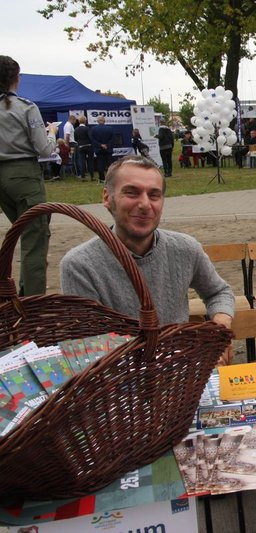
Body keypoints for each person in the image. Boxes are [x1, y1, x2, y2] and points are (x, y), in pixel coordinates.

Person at [60, 155, 235, 366]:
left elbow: (218, 292)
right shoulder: (80, 265)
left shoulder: (185, 248)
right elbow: (88, 346)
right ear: (107, 197)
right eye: (131, 193)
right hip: (118, 382)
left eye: (154, 195)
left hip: (180, 374)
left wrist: (220, 327)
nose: (145, 204)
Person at [0, 55, 57, 296]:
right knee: (35, 237)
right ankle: (33, 302)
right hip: (24, 175)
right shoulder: (26, 107)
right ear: (17, 78)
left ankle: (23, 293)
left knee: (21, 231)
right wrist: (52, 133)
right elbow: (44, 149)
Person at [90, 115, 114, 182]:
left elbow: (92, 139)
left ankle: (101, 178)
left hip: (98, 149)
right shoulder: (110, 128)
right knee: (109, 164)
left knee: (100, 164)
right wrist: (107, 145)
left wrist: (100, 145)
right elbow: (112, 139)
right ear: (104, 121)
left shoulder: (93, 129)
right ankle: (110, 178)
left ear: (97, 121)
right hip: (108, 149)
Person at [74, 115, 95, 181]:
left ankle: (83, 177)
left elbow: (75, 139)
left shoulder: (76, 129)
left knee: (82, 162)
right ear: (85, 121)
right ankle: (92, 176)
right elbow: (91, 138)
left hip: (81, 147)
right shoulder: (87, 129)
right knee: (90, 161)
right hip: (89, 146)